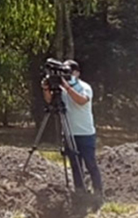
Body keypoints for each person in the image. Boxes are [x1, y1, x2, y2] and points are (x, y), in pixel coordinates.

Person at [42, 59, 103, 199]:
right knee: (75, 165)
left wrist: (68, 88)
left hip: (86, 133)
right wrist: (46, 88)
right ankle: (80, 191)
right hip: (70, 133)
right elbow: (49, 100)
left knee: (90, 163)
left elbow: (82, 101)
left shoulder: (84, 87)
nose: (65, 75)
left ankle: (98, 191)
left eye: (68, 72)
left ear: (77, 73)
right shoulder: (62, 89)